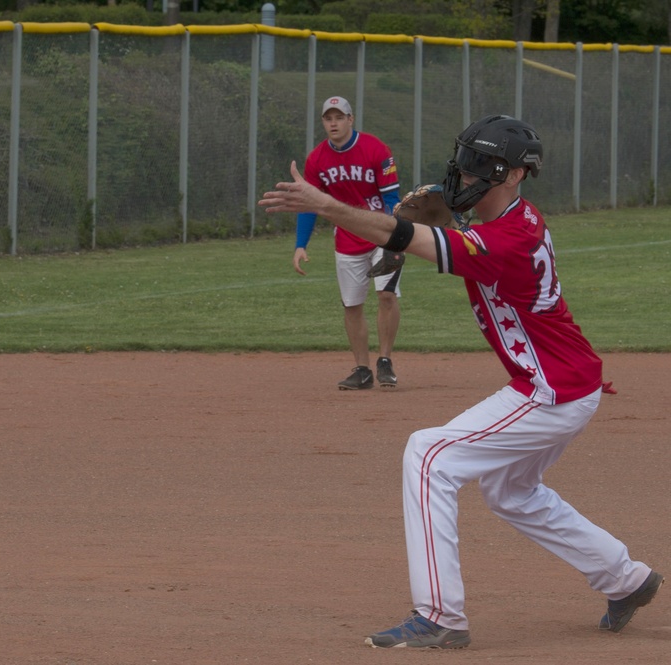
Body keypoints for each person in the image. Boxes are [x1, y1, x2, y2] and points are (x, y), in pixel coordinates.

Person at [260, 114, 663, 649]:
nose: (465, 172)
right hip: (562, 380)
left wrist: (328, 206)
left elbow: (403, 234)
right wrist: (430, 228)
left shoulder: (508, 240)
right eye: (466, 159)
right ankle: (626, 579)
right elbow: (441, 236)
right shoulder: (510, 221)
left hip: (551, 390)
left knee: (429, 456)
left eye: (482, 165)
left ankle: (439, 616)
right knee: (511, 491)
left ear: (515, 175)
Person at [294, 96, 403, 390]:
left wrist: (394, 240)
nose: (333, 123)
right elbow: (309, 204)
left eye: (339, 117)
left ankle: (385, 361)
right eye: (328, 118)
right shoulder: (316, 159)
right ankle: (362, 369)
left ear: (350, 120)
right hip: (346, 238)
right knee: (352, 305)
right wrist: (300, 244)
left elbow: (392, 199)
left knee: (386, 296)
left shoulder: (375, 149)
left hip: (381, 232)